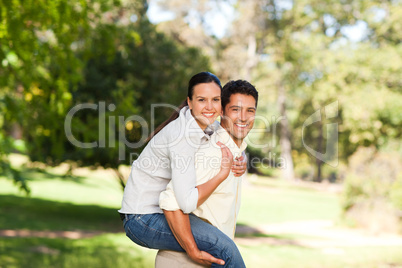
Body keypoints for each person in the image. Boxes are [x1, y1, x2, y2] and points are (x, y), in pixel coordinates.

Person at [119, 72, 247, 267]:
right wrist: (192, 250)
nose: (210, 107)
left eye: (215, 100)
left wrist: (241, 159)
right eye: (202, 100)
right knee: (225, 249)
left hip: (154, 213)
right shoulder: (182, 136)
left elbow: (230, 140)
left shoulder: (203, 125)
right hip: (142, 219)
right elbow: (186, 203)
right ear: (190, 102)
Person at [156, 80, 258, 267]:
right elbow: (170, 201)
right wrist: (192, 250)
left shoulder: (233, 153)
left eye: (250, 111)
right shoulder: (213, 152)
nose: (243, 117)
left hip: (208, 257)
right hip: (185, 260)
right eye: (235, 109)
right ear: (222, 111)